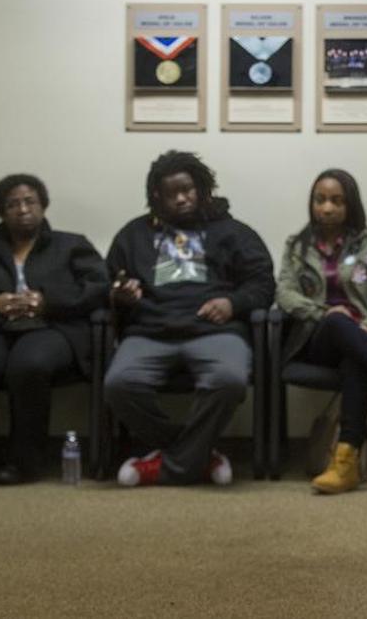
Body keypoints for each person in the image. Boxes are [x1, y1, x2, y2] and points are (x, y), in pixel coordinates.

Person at [105, 150, 274, 487]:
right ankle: (199, 455)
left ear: (202, 188)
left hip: (215, 330)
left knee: (229, 380)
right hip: (150, 330)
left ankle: (168, 465)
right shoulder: (133, 235)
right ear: (156, 196)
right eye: (171, 193)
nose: (181, 199)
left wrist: (232, 302)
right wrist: (120, 293)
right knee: (119, 384)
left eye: (188, 190)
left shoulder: (233, 232)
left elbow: (263, 283)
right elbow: (108, 282)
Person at [0, 174, 109, 485]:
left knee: (29, 363)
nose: (22, 209)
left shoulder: (71, 245)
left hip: (51, 329)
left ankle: (25, 461)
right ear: (1, 212)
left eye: (30, 201)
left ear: (43, 206)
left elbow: (98, 286)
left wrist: (47, 300)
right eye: (12, 204)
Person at [276, 169, 367, 494]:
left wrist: (365, 326)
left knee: (355, 362)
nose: (327, 207)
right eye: (320, 200)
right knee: (336, 322)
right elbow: (286, 294)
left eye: (336, 200)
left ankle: (345, 463)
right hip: (321, 337)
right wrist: (325, 313)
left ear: (350, 204)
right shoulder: (297, 247)